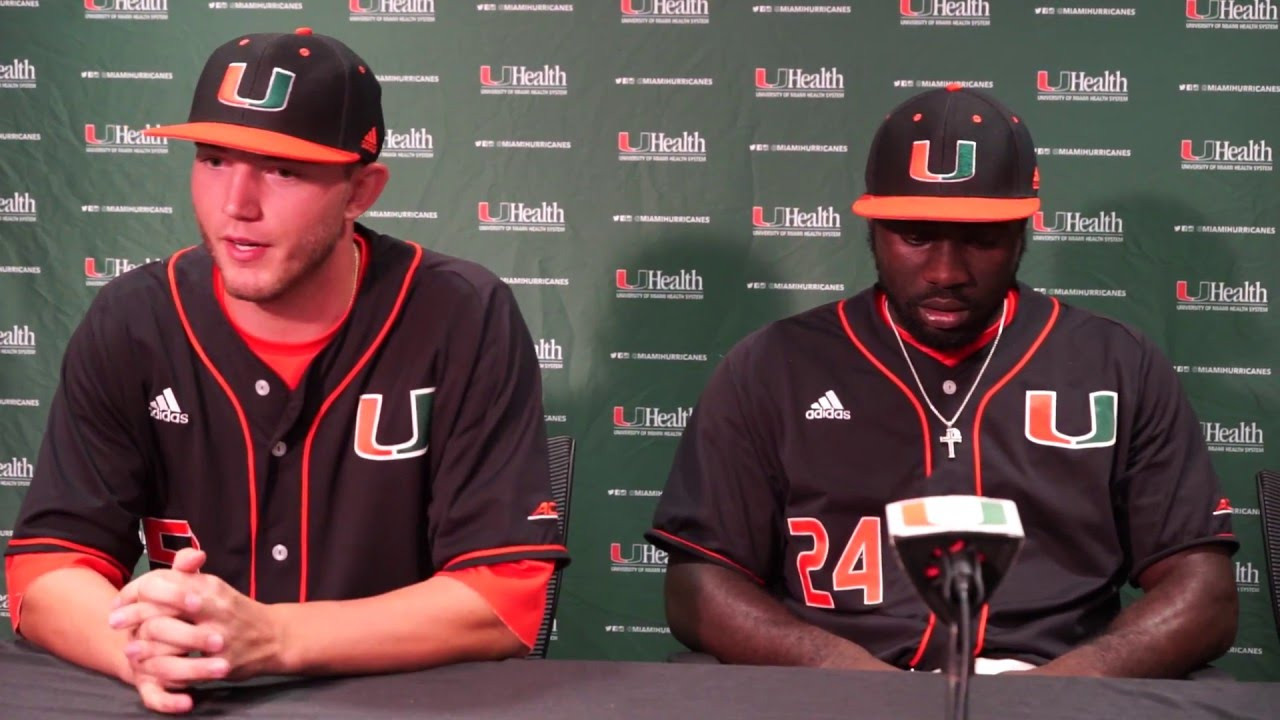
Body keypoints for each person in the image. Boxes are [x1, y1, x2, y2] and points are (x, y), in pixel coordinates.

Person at [4, 28, 568, 714]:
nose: (236, 203)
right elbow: (46, 569)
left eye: (283, 169)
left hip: (405, 704)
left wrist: (270, 636)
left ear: (361, 189)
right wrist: (142, 650)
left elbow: (503, 597)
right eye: (213, 160)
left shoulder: (460, 314)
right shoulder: (134, 320)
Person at [647, 85, 1238, 678]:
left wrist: (1063, 690)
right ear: (873, 225)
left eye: (981, 239)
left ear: (1022, 232)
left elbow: (1204, 594)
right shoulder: (774, 366)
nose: (946, 272)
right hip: (841, 692)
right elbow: (700, 584)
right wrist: (840, 670)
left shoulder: (1116, 363)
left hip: (1058, 689)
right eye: (915, 235)